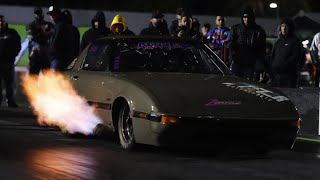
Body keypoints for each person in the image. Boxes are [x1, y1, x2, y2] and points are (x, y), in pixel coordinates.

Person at [229, 6, 266, 81]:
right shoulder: (236, 29)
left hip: (251, 65)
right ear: (242, 18)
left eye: (249, 17)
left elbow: (262, 50)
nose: (247, 19)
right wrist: (237, 43)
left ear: (252, 17)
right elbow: (229, 45)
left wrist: (259, 66)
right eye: (245, 17)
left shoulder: (259, 30)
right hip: (237, 63)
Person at [271, 18, 304, 88]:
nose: (284, 28)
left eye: (286, 26)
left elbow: (295, 57)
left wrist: (284, 66)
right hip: (276, 75)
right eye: (282, 26)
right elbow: (272, 55)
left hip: (289, 76)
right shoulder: (278, 42)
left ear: (290, 28)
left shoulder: (295, 41)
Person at [0, 15, 21, 107]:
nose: (0, 22)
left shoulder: (12, 32)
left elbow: (18, 46)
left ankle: (10, 101)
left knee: (9, 83)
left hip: (8, 63)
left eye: (2, 21)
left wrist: (12, 56)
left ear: (5, 21)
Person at [26, 7, 54, 75]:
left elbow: (53, 35)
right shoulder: (30, 25)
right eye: (36, 13)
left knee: (47, 79)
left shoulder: (50, 24)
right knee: (33, 80)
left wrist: (40, 34)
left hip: (46, 57)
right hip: (34, 57)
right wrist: (46, 34)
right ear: (34, 15)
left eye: (39, 13)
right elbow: (33, 37)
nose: (38, 15)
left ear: (42, 14)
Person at [47, 6, 74, 71]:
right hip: (62, 59)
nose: (52, 17)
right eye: (51, 15)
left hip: (58, 59)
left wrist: (49, 52)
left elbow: (56, 43)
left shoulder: (60, 26)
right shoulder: (59, 25)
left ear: (58, 14)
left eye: (54, 14)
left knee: (53, 80)